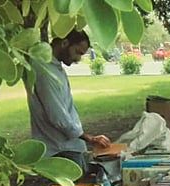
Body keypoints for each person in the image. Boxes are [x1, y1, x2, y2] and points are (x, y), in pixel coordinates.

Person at [25, 30, 110, 173]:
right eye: (77, 52)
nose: (78, 59)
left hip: (70, 146)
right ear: (64, 43)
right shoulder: (43, 69)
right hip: (59, 148)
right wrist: (88, 138)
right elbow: (57, 116)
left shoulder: (55, 67)